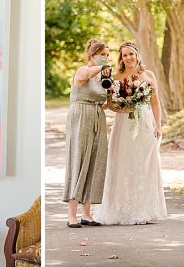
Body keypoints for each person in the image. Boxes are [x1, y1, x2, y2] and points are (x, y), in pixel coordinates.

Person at [94, 41, 168, 225]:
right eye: (124, 55)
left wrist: (158, 125)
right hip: (124, 123)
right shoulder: (116, 76)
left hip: (145, 121)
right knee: (123, 162)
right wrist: (121, 108)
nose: (128, 58)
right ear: (121, 58)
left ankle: (146, 208)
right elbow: (110, 103)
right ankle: (120, 209)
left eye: (131, 54)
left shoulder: (149, 75)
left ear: (137, 55)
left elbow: (156, 102)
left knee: (145, 162)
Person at [63, 38, 112, 228]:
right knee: (79, 159)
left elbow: (106, 102)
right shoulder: (83, 70)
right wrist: (103, 67)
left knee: (95, 160)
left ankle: (87, 214)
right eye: (102, 55)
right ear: (92, 55)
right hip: (80, 115)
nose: (106, 59)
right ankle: (72, 215)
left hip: (97, 116)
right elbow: (87, 75)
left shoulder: (101, 77)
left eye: (108, 56)